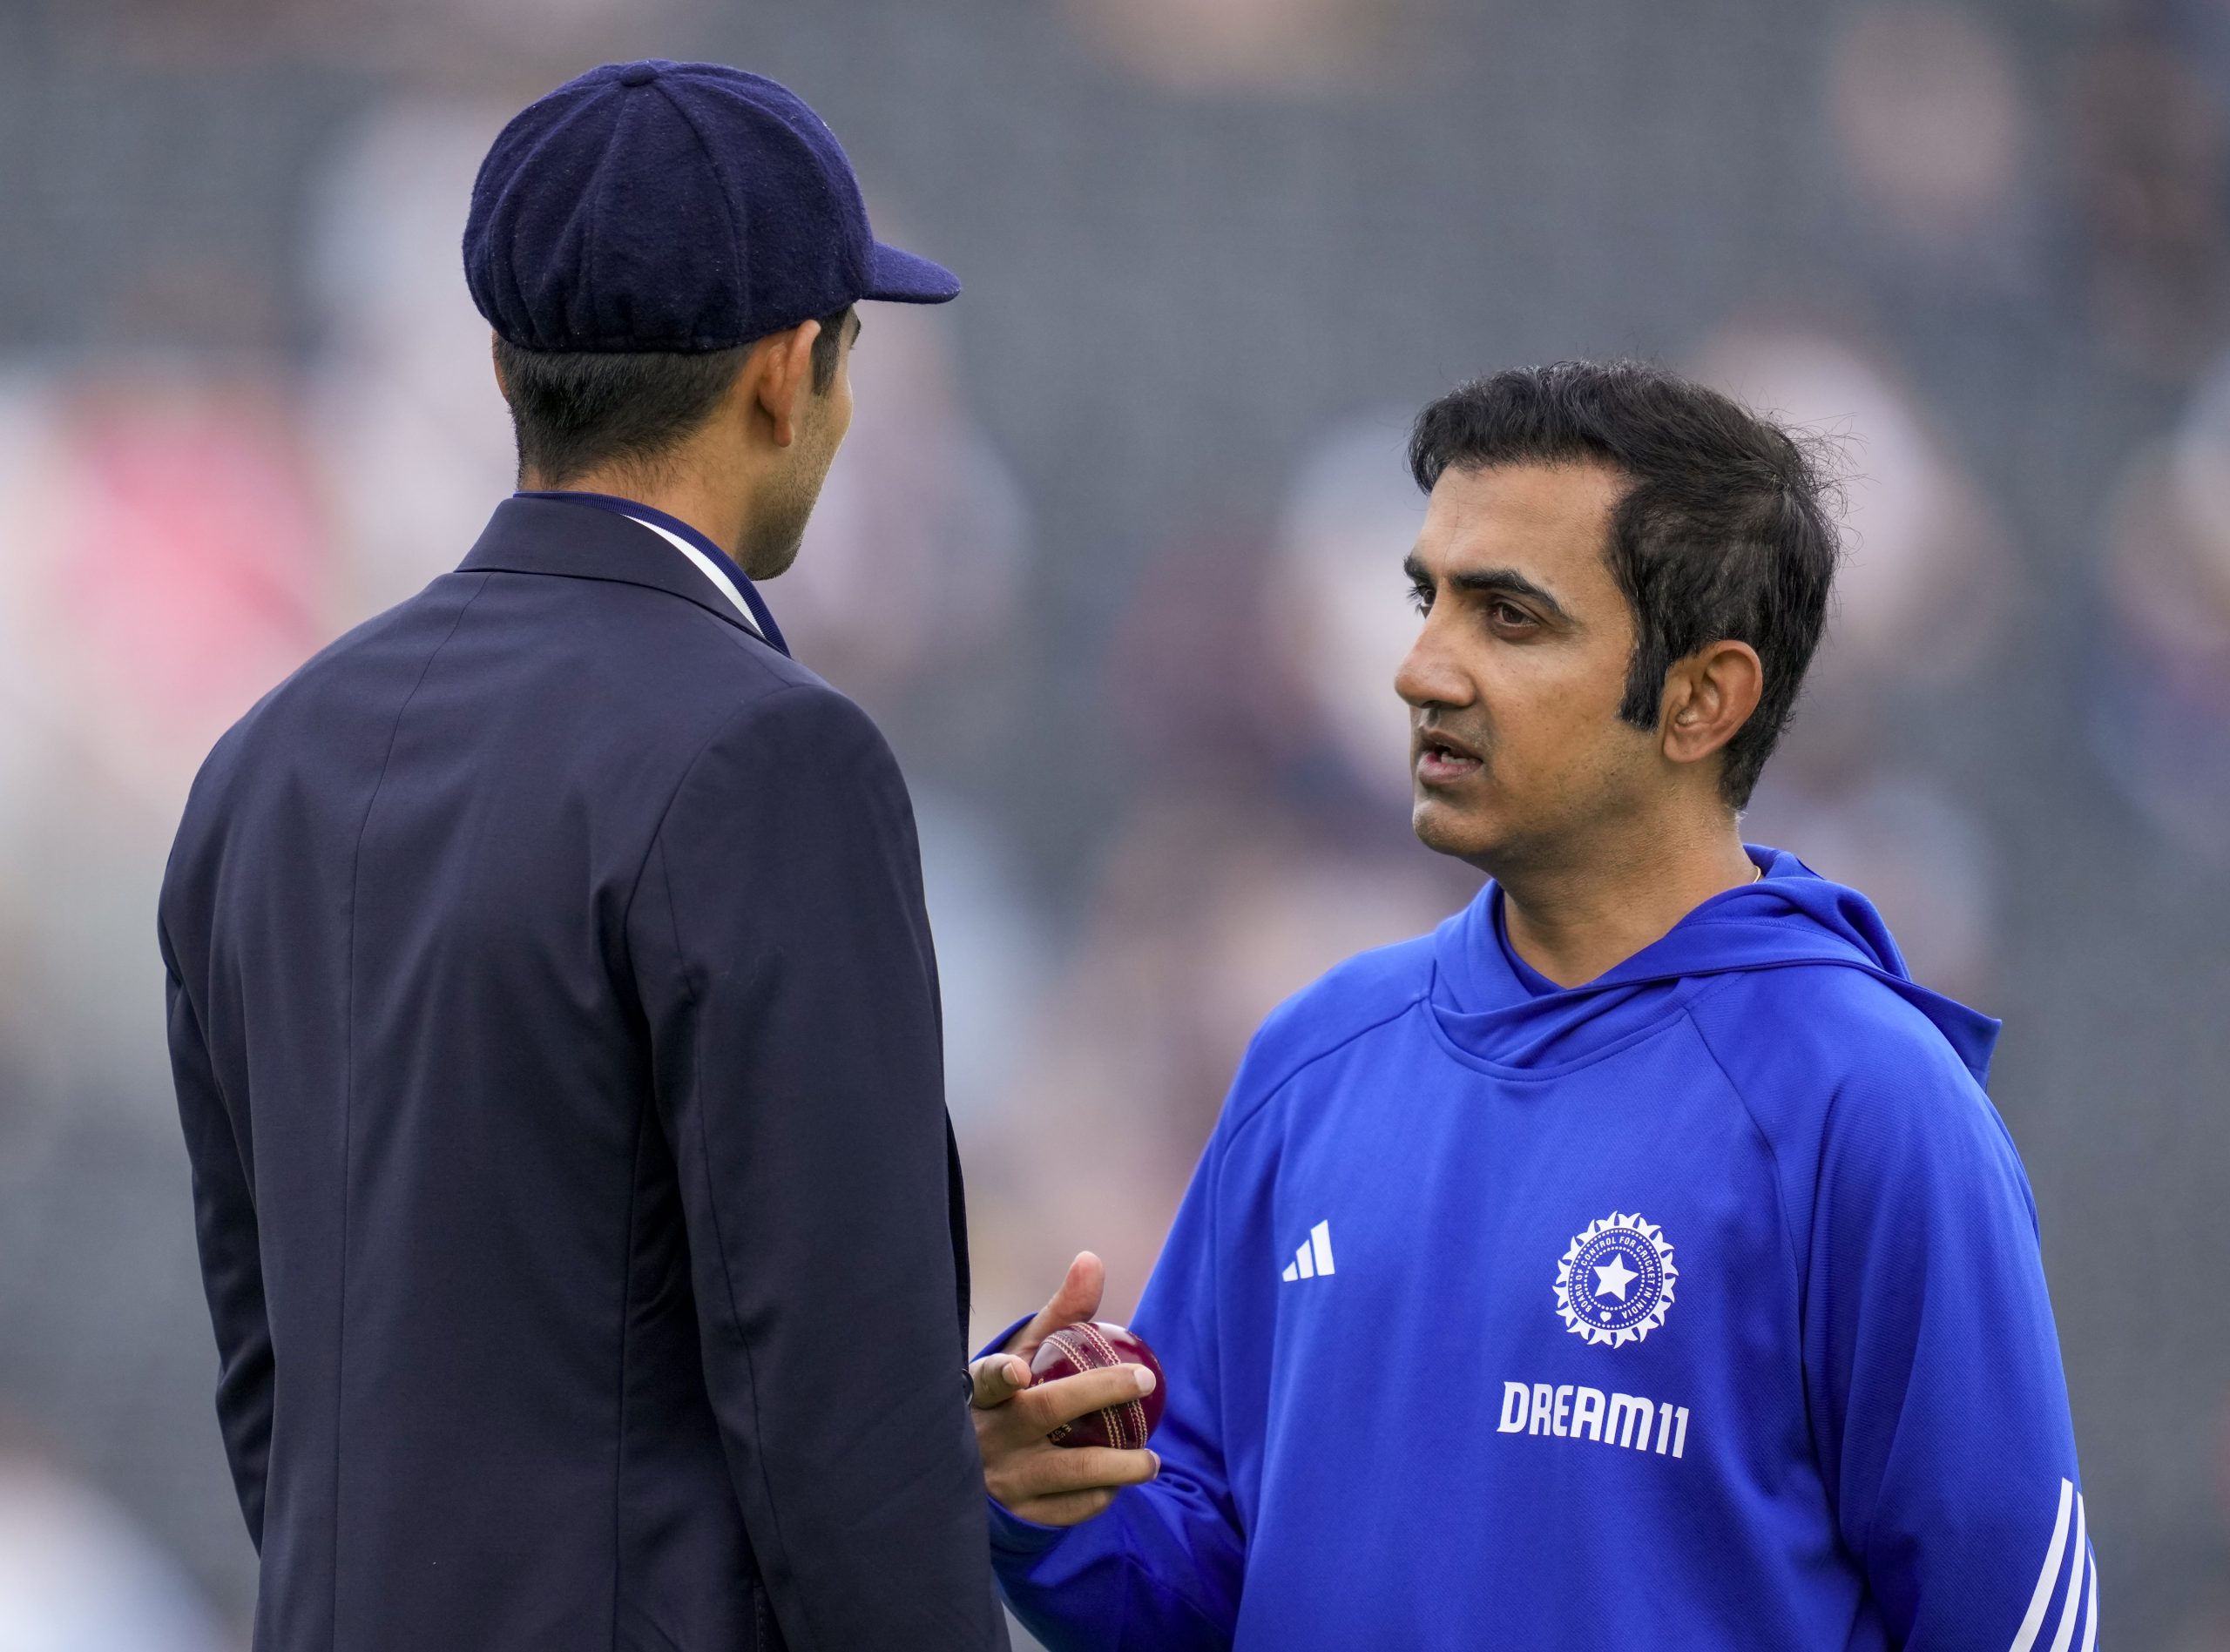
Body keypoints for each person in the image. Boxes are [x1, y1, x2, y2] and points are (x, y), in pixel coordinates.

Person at [971, 361, 2096, 1649]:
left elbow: (2014, 1617)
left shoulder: (1869, 1104)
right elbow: (1208, 1582)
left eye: (1508, 617)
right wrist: (1053, 1505)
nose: (1420, 670)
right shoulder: (1314, 1057)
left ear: (1703, 697)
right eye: (1428, 599)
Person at [159, 60, 1007, 1651]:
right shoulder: (773, 754)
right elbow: (839, 1419)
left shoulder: (264, 758)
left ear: (505, 365)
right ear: (790, 372)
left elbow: (280, 1392)